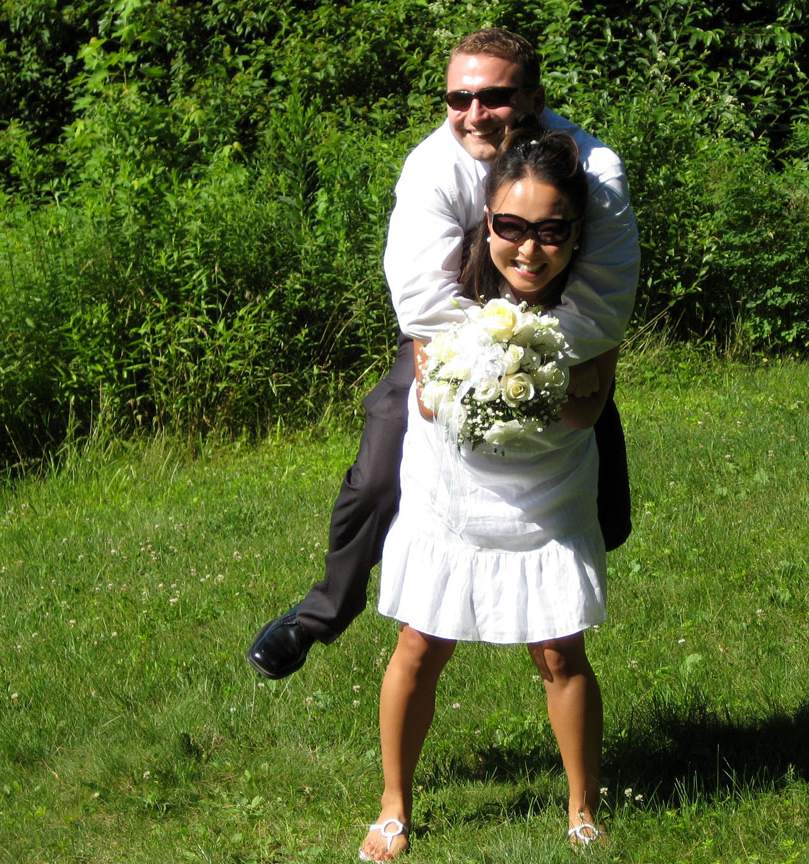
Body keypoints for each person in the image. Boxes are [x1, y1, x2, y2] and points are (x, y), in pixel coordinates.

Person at [247, 28, 638, 680]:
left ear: (535, 98)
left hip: (561, 334)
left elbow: (600, 301)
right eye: (458, 97)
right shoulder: (432, 166)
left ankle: (577, 551)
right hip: (449, 335)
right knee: (377, 473)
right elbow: (424, 299)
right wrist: (484, 364)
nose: (473, 114)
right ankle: (319, 614)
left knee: (602, 494)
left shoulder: (595, 172)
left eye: (494, 97)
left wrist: (535, 364)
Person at [360, 126, 617, 862]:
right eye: (510, 227)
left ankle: (583, 808)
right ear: (488, 223)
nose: (528, 250)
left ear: (574, 235)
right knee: (418, 642)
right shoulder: (449, 291)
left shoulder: (593, 305)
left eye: (550, 232)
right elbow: (436, 403)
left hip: (552, 485)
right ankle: (393, 806)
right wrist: (490, 360)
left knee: (559, 650)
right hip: (452, 484)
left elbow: (589, 404)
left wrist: (531, 375)